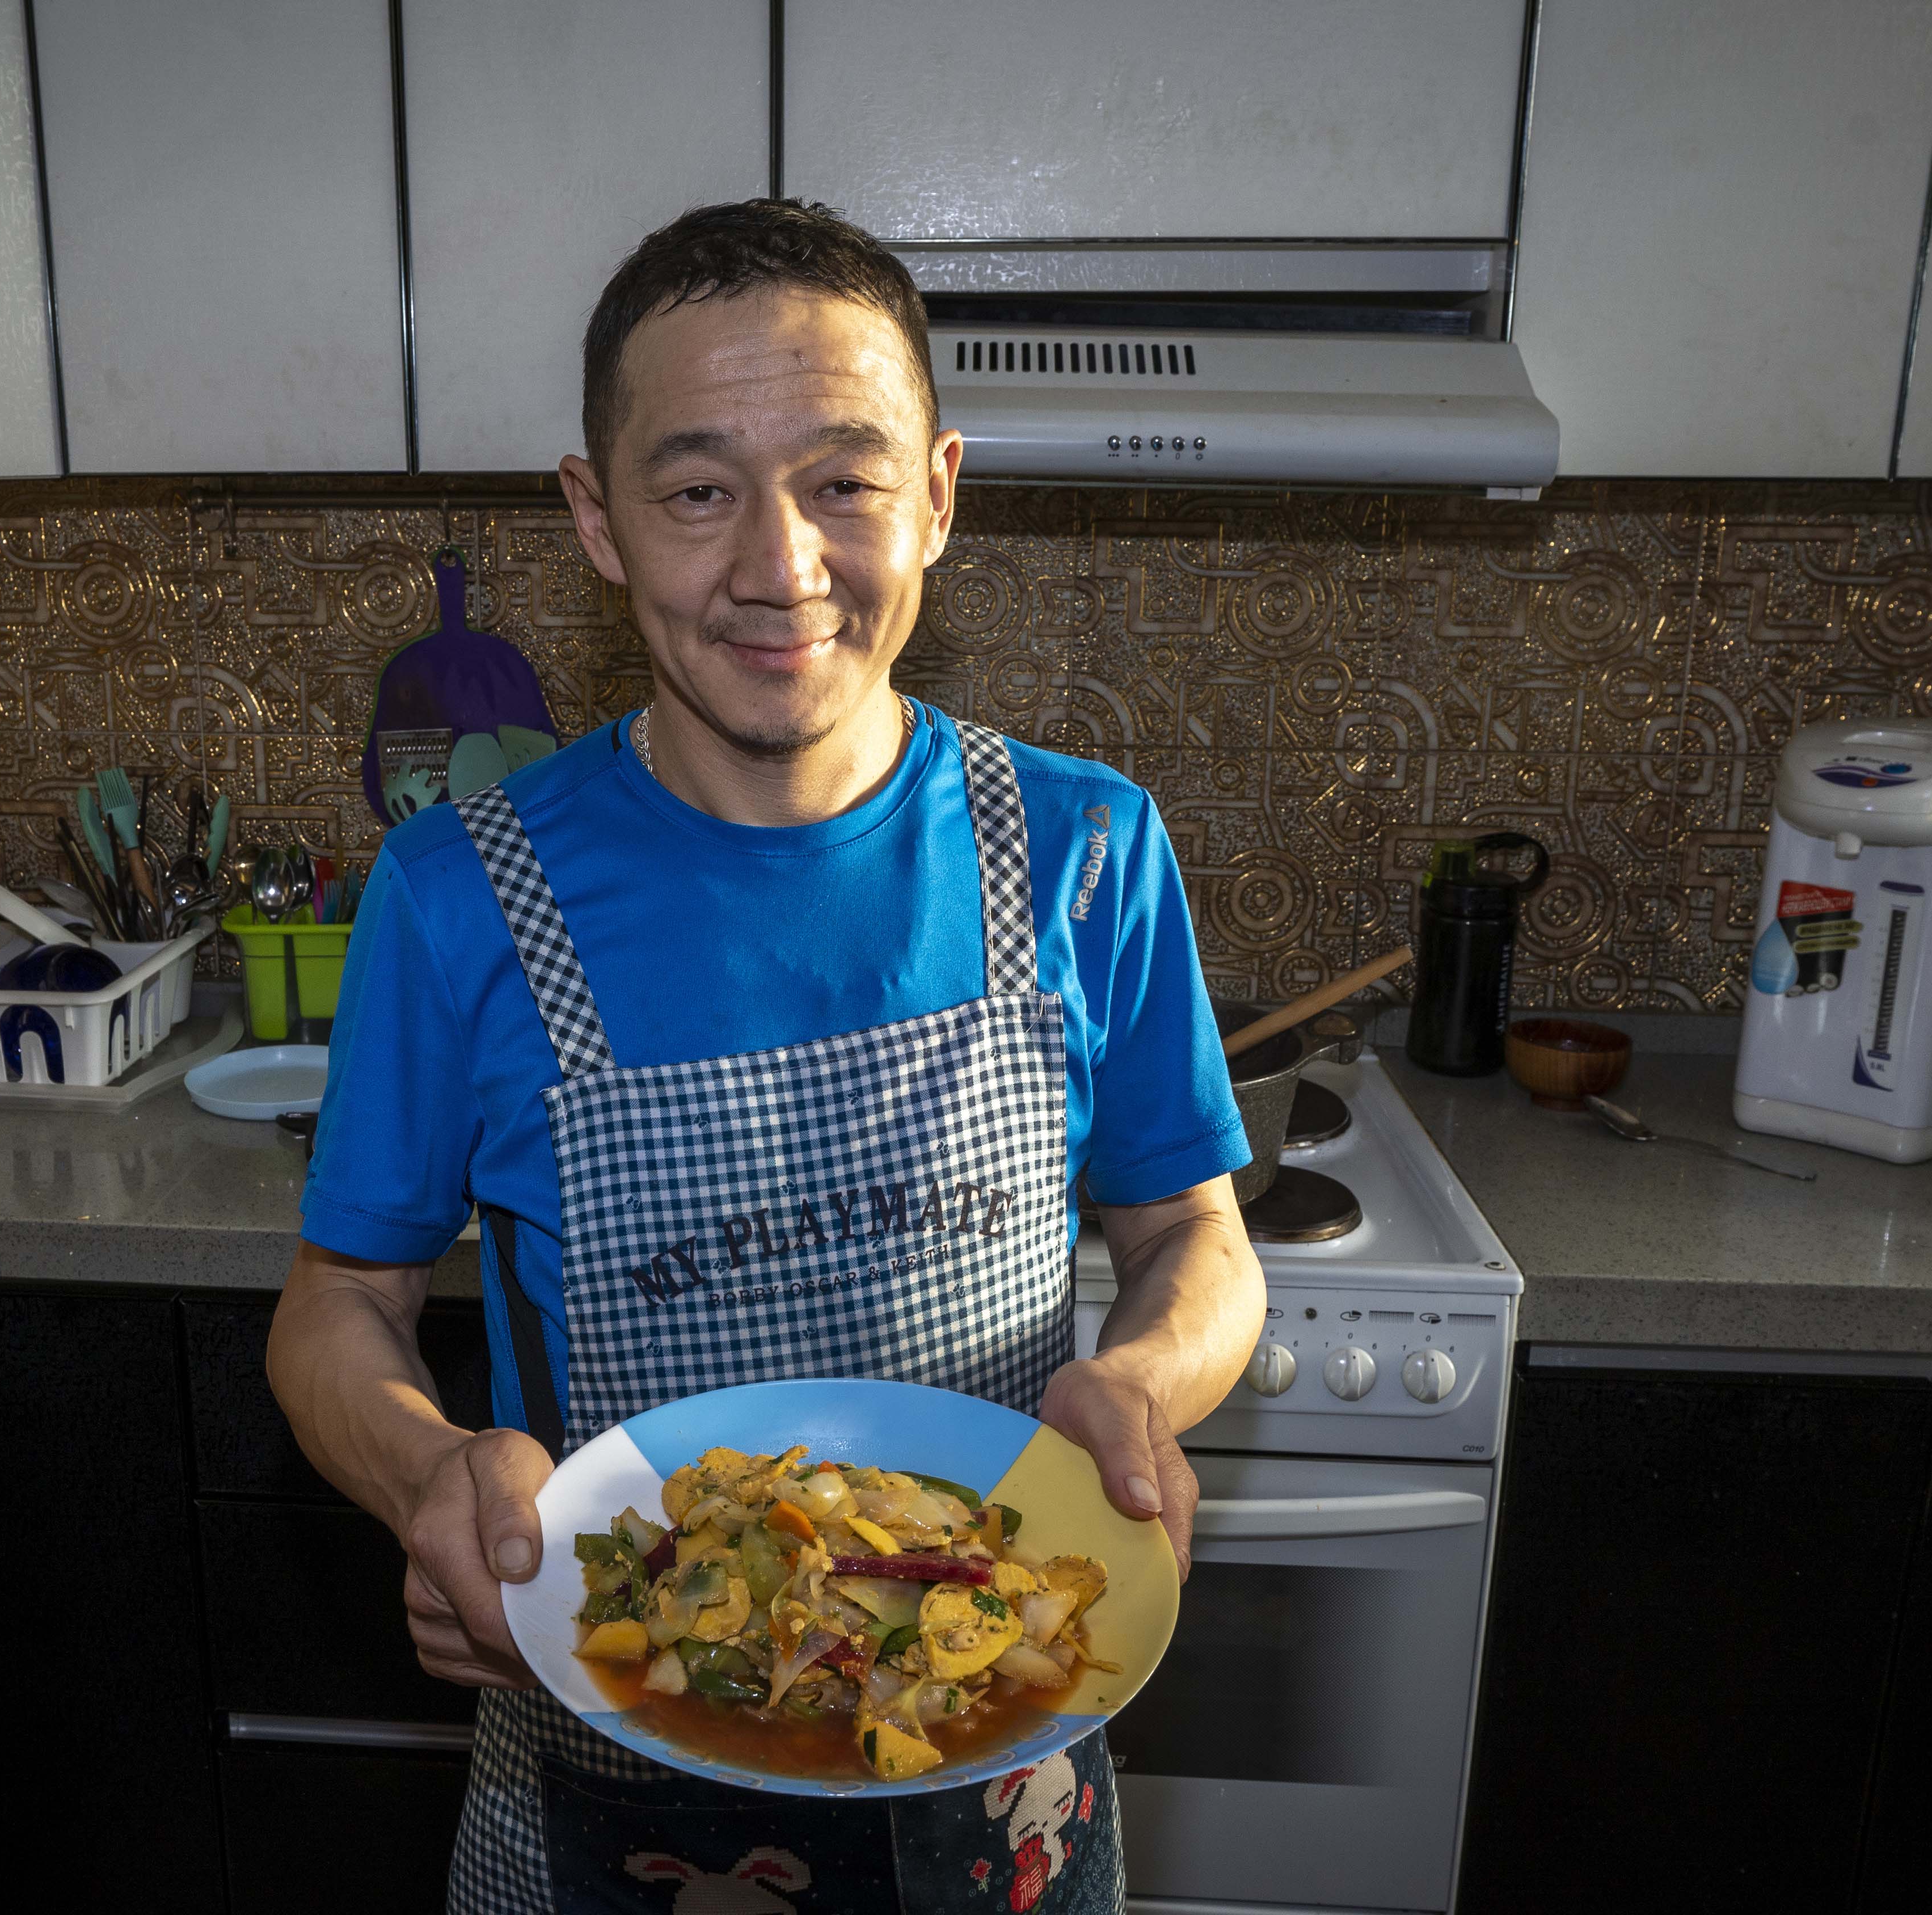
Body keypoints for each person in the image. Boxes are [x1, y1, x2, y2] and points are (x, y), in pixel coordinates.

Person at [268, 199, 1266, 1914]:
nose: (780, 564)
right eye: (697, 490)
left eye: (845, 480)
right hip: (610, 1789)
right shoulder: (457, 899)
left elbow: (1194, 1237)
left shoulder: (1086, 848)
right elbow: (335, 1307)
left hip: (1004, 1774)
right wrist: (429, 1472)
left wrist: (1141, 1384)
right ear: (598, 518)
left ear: (937, 495)